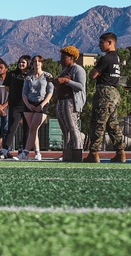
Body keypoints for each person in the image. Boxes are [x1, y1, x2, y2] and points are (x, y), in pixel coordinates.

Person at [86, 32, 126, 163]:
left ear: (110, 42)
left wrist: (96, 71)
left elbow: (92, 75)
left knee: (98, 122)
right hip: (115, 92)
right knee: (112, 124)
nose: (99, 45)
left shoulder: (106, 58)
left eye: (101, 42)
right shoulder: (117, 58)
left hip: (105, 92)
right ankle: (120, 152)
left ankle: (94, 153)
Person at [53, 46, 87, 162]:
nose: (62, 59)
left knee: (73, 127)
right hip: (61, 101)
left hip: (71, 101)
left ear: (72, 58)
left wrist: (67, 81)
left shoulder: (78, 69)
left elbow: (81, 86)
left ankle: (77, 151)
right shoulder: (64, 70)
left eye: (64, 57)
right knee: (65, 129)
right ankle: (67, 153)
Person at [18, 55, 54, 161]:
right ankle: (37, 152)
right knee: (33, 130)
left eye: (39, 61)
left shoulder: (47, 76)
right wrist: (28, 104)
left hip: (42, 103)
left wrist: (42, 105)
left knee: (33, 128)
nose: (36, 63)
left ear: (42, 63)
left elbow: (50, 91)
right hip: (29, 104)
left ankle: (25, 152)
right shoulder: (28, 77)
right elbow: (24, 92)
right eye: (34, 61)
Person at [3, 55, 31, 158]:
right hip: (15, 105)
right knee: (12, 126)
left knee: (27, 128)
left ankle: (24, 151)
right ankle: (5, 150)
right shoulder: (11, 74)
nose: (21, 64)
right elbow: (6, 88)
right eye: (20, 62)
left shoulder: (30, 75)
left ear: (28, 63)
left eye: (23, 62)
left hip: (28, 105)